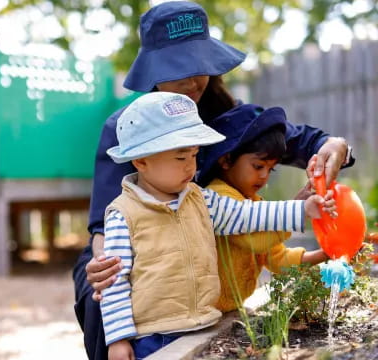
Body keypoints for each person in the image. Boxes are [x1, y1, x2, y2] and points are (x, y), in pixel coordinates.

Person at [73, 2, 353, 359]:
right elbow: (105, 226)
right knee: (106, 297)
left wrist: (331, 146)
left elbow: (286, 148)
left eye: (199, 68)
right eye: (178, 70)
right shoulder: (126, 128)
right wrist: (105, 267)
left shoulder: (224, 115)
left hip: (202, 243)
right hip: (133, 247)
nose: (192, 82)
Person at [100, 92, 336, 360]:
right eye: (180, 158)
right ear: (141, 161)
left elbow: (246, 215)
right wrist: (118, 340)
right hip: (153, 337)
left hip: (204, 325)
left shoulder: (201, 198)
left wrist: (302, 209)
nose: (191, 166)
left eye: (194, 155)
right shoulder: (123, 214)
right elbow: (114, 283)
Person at [196, 104, 330, 312]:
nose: (263, 176)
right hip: (203, 311)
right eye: (258, 166)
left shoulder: (252, 201)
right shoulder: (218, 196)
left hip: (227, 310)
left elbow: (277, 259)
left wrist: (324, 254)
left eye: (270, 168)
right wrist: (299, 210)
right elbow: (256, 240)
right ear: (226, 159)